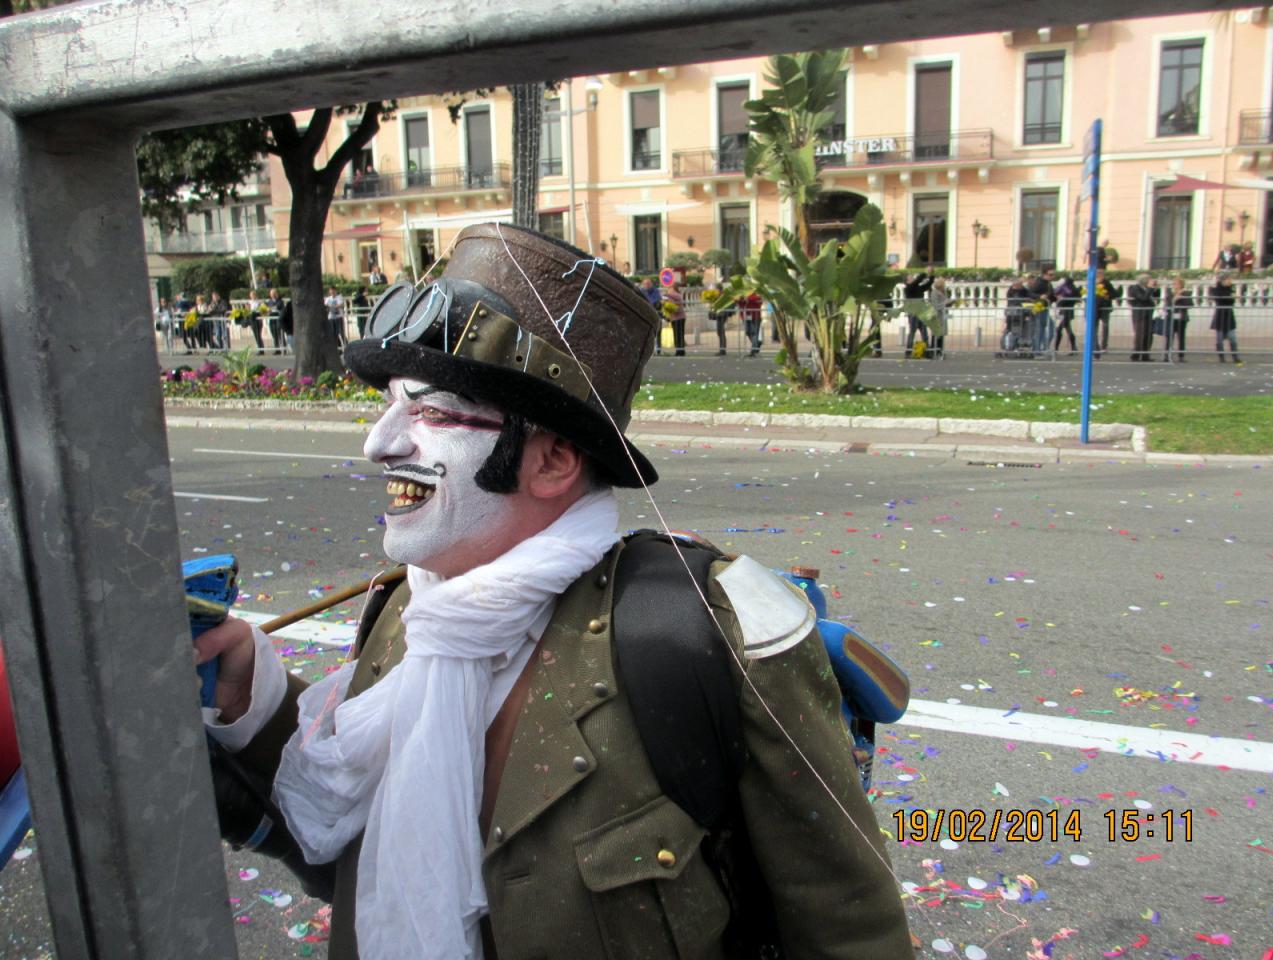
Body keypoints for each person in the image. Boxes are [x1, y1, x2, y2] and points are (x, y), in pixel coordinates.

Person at [195, 223, 912, 960]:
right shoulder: (411, 610)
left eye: (432, 412)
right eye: (389, 403)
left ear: (553, 461)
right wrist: (252, 692)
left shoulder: (703, 635)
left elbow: (850, 930)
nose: (379, 443)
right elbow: (364, 850)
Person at [1208, 272, 1242, 364]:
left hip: (1229, 315)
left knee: (1232, 338)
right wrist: (1230, 297)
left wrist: (1231, 297)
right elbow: (1219, 298)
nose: (1230, 281)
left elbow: (1232, 300)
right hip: (1220, 315)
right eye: (1228, 279)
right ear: (1223, 280)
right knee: (1219, 339)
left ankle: (1235, 356)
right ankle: (1221, 356)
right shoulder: (1217, 288)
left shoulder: (1231, 288)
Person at [902, 268, 934, 353]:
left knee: (924, 332)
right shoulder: (908, 288)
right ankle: (908, 350)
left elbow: (928, 285)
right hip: (913, 313)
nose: (913, 278)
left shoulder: (917, 287)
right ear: (907, 281)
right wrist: (925, 272)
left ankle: (927, 350)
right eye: (910, 278)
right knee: (912, 331)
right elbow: (917, 281)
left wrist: (931, 276)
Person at [1127, 273, 1157, 361]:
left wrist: (1154, 288)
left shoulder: (1147, 289)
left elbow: (1154, 297)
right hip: (1140, 314)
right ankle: (1135, 355)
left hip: (1149, 314)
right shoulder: (1134, 288)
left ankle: (1145, 355)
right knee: (1140, 334)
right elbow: (1143, 298)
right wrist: (1150, 288)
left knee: (1148, 335)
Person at [1166, 276, 1193, 362]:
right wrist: (1175, 299)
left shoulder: (1186, 293)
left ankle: (1181, 356)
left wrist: (1181, 297)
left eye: (1177, 284)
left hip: (1182, 317)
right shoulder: (1170, 293)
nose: (1175, 285)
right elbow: (1168, 304)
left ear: (1181, 285)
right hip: (1172, 317)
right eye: (1174, 284)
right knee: (1170, 337)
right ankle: (1167, 355)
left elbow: (1190, 304)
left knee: (1181, 337)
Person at [1053, 273, 1080, 353]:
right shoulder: (1074, 289)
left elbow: (1060, 296)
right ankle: (1073, 347)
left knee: (1062, 329)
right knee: (1066, 329)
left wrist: (1060, 299)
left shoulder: (1066, 289)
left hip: (1065, 311)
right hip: (1068, 310)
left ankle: (1058, 348)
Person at [1094, 275, 1118, 358]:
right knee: (1094, 328)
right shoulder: (1091, 282)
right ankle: (1095, 346)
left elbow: (1114, 294)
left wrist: (1107, 296)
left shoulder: (1107, 283)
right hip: (1094, 308)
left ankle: (1104, 345)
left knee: (1105, 326)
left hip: (1105, 308)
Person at [926, 276, 949, 358]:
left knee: (941, 334)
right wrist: (945, 304)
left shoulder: (943, 292)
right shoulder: (934, 292)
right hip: (937, 316)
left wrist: (949, 304)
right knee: (936, 334)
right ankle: (935, 350)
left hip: (943, 315)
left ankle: (940, 350)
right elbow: (935, 305)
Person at [660, 287, 687, 356]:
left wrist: (666, 294)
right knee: (676, 335)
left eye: (670, 289)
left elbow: (675, 297)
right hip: (674, 318)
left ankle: (681, 350)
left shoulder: (677, 295)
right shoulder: (672, 296)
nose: (669, 290)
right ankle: (678, 350)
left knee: (679, 334)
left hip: (679, 317)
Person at [738, 290, 763, 356]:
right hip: (746, 317)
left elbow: (759, 301)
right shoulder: (743, 296)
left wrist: (746, 299)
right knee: (748, 332)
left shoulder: (757, 296)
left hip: (755, 317)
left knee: (754, 332)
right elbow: (740, 303)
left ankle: (753, 350)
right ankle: (757, 343)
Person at [246, 289, 267, 353]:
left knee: (258, 335)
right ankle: (259, 348)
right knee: (256, 335)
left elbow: (262, 310)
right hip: (252, 320)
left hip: (257, 320)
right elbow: (247, 311)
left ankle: (261, 349)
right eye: (251, 295)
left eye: (253, 295)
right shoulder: (249, 302)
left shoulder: (259, 302)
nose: (252, 296)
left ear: (255, 295)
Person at [266, 287, 286, 354]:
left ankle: (284, 348)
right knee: (274, 334)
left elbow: (280, 307)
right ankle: (277, 349)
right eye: (271, 294)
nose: (272, 295)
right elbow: (266, 309)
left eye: (274, 293)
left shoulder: (280, 301)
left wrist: (272, 308)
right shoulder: (269, 302)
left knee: (280, 334)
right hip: (272, 319)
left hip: (278, 319)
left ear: (276, 293)